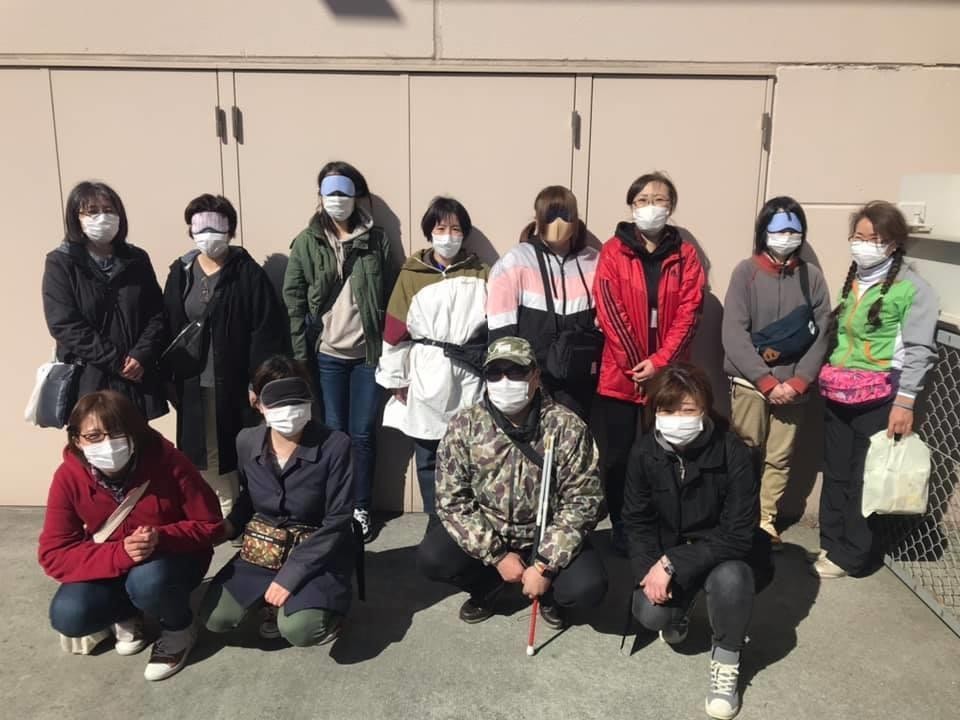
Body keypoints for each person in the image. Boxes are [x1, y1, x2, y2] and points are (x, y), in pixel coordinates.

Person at [417, 337, 608, 629]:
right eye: (495, 373)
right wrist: (497, 556)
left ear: (535, 375)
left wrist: (545, 565)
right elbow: (452, 501)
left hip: (546, 532)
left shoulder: (567, 426)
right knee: (433, 558)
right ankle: (488, 587)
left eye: (516, 372)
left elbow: (584, 502)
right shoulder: (465, 425)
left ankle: (548, 595)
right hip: (491, 528)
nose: (505, 381)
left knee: (587, 588)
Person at [39, 390, 222, 681]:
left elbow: (210, 524)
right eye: (94, 436)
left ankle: (179, 628)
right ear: (76, 439)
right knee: (69, 615)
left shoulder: (170, 462)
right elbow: (54, 554)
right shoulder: (68, 477)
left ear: (135, 433)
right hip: (111, 562)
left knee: (147, 582)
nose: (107, 444)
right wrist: (120, 553)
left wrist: (161, 537)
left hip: (170, 561)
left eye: (117, 433)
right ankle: (126, 614)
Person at [622, 363, 771, 720]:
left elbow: (738, 534)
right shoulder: (643, 452)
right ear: (655, 411)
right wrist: (649, 571)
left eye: (687, 410)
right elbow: (636, 520)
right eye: (668, 410)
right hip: (669, 551)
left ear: (704, 409)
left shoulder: (734, 452)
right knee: (651, 613)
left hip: (723, 553)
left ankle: (727, 659)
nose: (678, 419)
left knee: (732, 579)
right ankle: (681, 610)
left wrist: (673, 563)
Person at [814, 201, 939, 579]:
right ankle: (830, 542)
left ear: (894, 243)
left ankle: (852, 555)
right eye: (859, 237)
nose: (864, 245)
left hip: (880, 398)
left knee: (864, 478)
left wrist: (905, 402)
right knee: (836, 472)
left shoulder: (913, 289)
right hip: (839, 395)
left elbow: (919, 350)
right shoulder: (856, 280)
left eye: (875, 239)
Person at [201, 356, 355, 648]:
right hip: (266, 547)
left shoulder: (335, 445)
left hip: (317, 550)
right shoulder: (247, 441)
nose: (288, 408)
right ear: (257, 402)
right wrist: (228, 527)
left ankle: (332, 609)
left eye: (296, 397)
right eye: (276, 399)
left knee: (301, 630)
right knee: (216, 618)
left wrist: (291, 575)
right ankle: (271, 600)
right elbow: (249, 498)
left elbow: (338, 520)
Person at [594, 171, 706, 553]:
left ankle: (661, 522)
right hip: (620, 376)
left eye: (659, 200)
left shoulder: (686, 255)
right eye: (642, 200)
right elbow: (609, 309)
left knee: (664, 453)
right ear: (631, 206)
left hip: (669, 376)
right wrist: (636, 364)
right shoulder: (613, 251)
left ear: (671, 206)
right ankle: (622, 522)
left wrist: (660, 363)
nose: (650, 207)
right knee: (619, 458)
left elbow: (690, 312)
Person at [282, 161, 394, 542]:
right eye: (329, 192)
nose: (336, 199)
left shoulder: (376, 241)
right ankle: (336, 507)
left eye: (344, 192)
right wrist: (300, 357)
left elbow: (390, 295)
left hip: (368, 355)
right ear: (320, 196)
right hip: (326, 355)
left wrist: (393, 350)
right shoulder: (307, 242)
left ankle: (360, 506)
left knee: (362, 434)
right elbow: (294, 301)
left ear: (356, 196)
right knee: (332, 432)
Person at [162, 194, 288, 519]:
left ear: (230, 230)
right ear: (191, 230)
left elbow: (265, 332)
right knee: (199, 450)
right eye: (200, 227)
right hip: (192, 380)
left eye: (216, 227)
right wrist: (168, 378)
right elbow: (168, 324)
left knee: (236, 447)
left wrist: (258, 381)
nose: (208, 235)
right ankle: (208, 511)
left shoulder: (248, 274)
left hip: (234, 381)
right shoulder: (182, 272)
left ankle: (235, 513)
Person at [722, 197, 831, 548]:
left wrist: (799, 381)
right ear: (764, 231)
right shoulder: (745, 273)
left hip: (794, 389)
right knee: (745, 452)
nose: (787, 236)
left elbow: (823, 332)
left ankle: (765, 520)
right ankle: (738, 517)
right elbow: (733, 334)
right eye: (779, 229)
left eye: (794, 229)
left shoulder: (812, 277)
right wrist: (766, 381)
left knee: (779, 458)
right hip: (750, 384)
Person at [377, 197, 489, 517]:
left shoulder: (481, 272)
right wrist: (396, 379)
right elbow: (395, 330)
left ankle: (468, 519)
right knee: (428, 455)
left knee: (469, 452)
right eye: (441, 228)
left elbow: (497, 323)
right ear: (430, 232)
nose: (448, 236)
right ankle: (434, 519)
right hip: (427, 370)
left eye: (455, 229)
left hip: (468, 372)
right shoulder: (412, 274)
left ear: (464, 233)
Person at [42, 181, 167, 420]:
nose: (102, 217)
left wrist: (141, 355)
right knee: (98, 437)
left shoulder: (136, 259)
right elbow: (64, 324)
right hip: (89, 380)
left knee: (138, 439)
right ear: (76, 217)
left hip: (136, 380)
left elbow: (157, 313)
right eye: (92, 211)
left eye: (109, 210)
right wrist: (117, 361)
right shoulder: (62, 262)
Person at [486, 186, 601, 420]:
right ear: (538, 218)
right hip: (531, 382)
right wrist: (510, 378)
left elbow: (603, 322)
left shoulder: (594, 261)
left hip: (578, 385)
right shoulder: (516, 261)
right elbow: (500, 332)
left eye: (565, 215)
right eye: (550, 215)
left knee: (572, 438)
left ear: (575, 219)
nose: (558, 222)